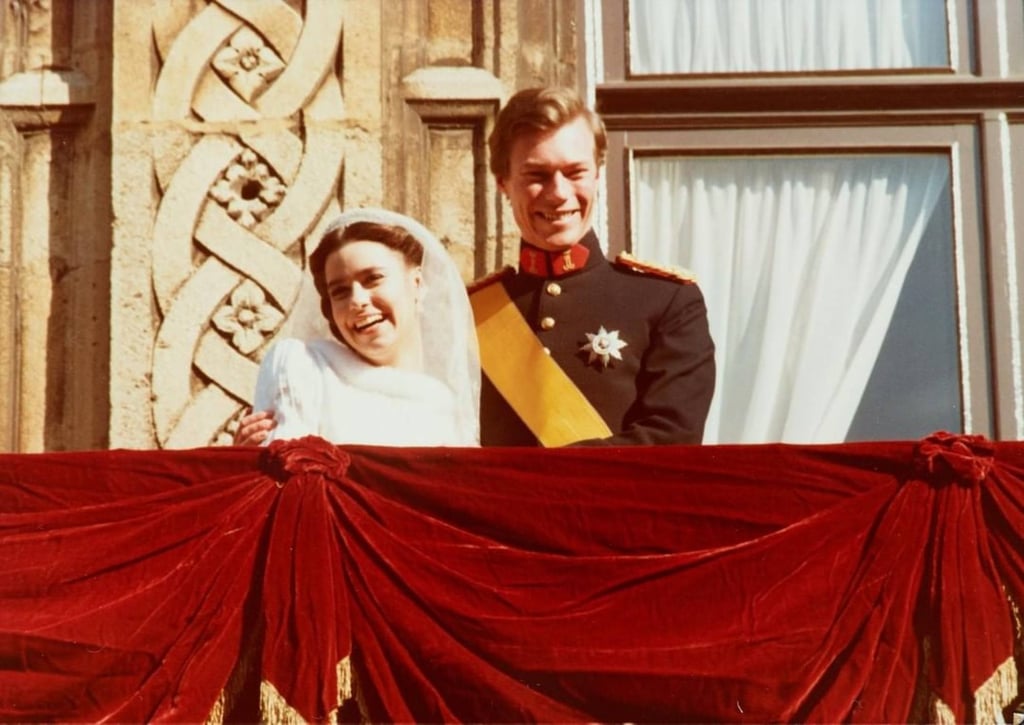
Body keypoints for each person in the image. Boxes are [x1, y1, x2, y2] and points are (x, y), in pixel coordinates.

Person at [472, 85, 715, 446]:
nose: (558, 193)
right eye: (537, 175)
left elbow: (670, 442)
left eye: (575, 173)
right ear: (503, 183)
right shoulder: (466, 313)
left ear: (597, 175)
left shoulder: (667, 303)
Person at [238, 207, 479, 447]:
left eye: (373, 279)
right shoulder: (303, 368)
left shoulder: (447, 411)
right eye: (340, 291)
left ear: (417, 283)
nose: (357, 301)